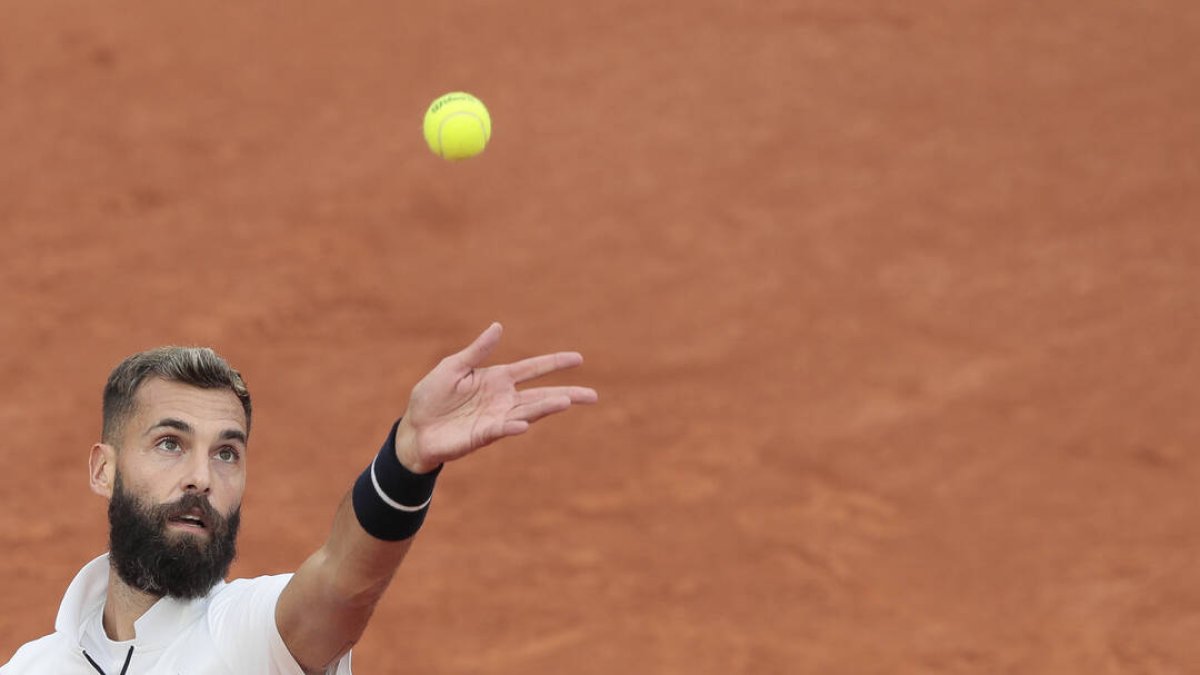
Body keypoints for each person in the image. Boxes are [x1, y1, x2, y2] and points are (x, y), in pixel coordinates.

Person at [1, 322, 597, 674]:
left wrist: (405, 464)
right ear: (104, 470)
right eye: (170, 444)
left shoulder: (249, 638)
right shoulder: (34, 668)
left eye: (227, 453)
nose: (202, 477)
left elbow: (342, 583)